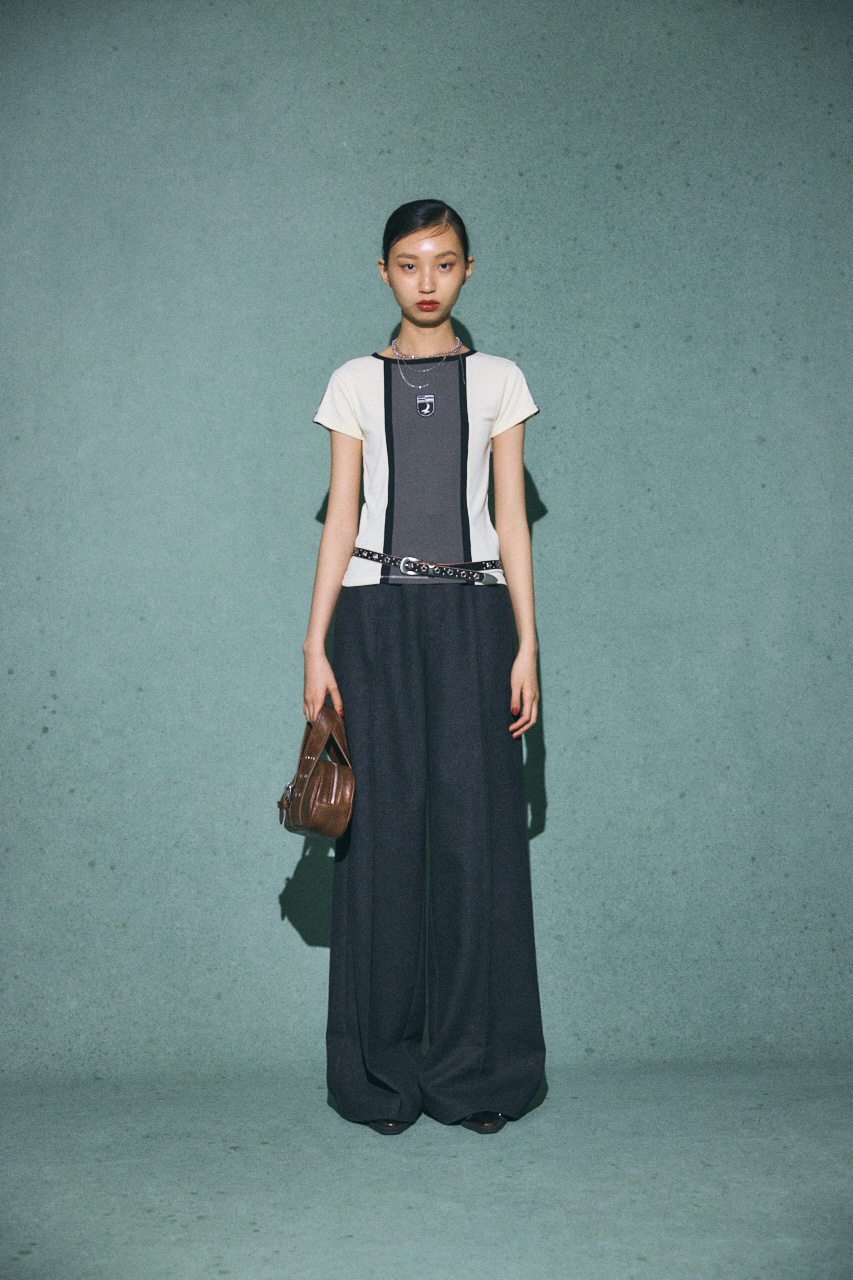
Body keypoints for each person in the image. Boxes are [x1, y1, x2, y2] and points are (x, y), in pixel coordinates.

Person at [303, 199, 545, 1135]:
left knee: (477, 843)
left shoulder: (500, 379)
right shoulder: (351, 382)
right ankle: (379, 1075)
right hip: (373, 618)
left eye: (444, 263)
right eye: (409, 264)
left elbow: (511, 519)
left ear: (468, 270)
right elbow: (341, 515)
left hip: (475, 616)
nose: (427, 281)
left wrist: (526, 643)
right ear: (384, 272)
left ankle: (476, 1073)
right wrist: (313, 644)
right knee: (381, 843)